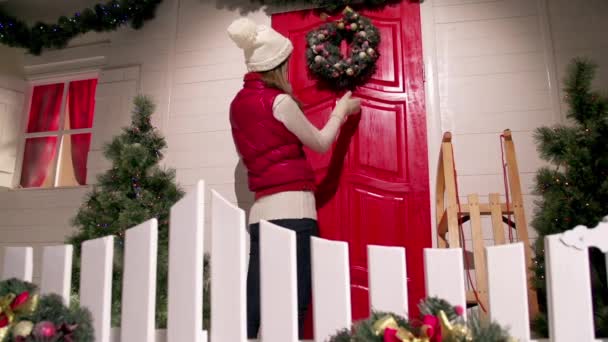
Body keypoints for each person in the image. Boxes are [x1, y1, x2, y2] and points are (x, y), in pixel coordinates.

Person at [227, 17, 361, 339]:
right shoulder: (279, 102)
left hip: (260, 215)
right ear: (278, 65)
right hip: (295, 212)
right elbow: (320, 142)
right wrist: (341, 112)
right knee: (295, 300)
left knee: (255, 300)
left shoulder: (236, 105)